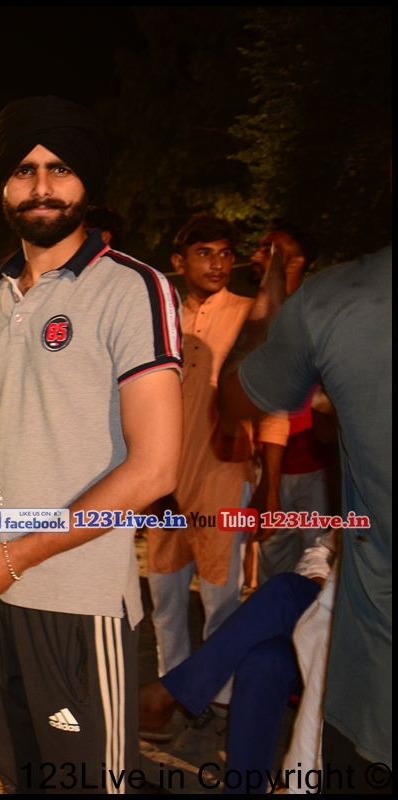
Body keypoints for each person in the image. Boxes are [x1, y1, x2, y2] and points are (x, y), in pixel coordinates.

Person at [0, 96, 185, 791]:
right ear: (3, 183)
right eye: (24, 169)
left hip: (79, 595)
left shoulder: (132, 289)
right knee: (21, 773)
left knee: (90, 781)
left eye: (60, 168)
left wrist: (16, 556)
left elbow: (154, 468)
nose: (42, 185)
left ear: (87, 183)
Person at [218, 233, 391, 783]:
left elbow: (243, 400)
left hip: (369, 671)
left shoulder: (336, 302)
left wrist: (265, 317)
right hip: (346, 586)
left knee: (284, 616)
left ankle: (173, 695)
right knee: (270, 644)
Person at [147, 214, 290, 714]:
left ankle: (220, 699)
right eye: (204, 253)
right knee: (165, 594)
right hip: (164, 482)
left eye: (225, 253)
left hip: (223, 476)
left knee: (220, 598)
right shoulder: (161, 318)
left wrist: (269, 489)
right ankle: (170, 692)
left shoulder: (250, 314)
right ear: (179, 261)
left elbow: (273, 405)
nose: (217, 263)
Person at [140, 535, 335, 791]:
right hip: (327, 631)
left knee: (284, 591)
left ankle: (169, 693)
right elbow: (322, 550)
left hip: (368, 651)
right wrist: (322, 585)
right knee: (263, 661)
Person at [245, 221, 336, 581]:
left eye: (268, 249)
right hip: (269, 465)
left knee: (318, 567)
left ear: (295, 262)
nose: (256, 254)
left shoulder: (316, 315)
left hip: (316, 466)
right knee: (274, 577)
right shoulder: (256, 317)